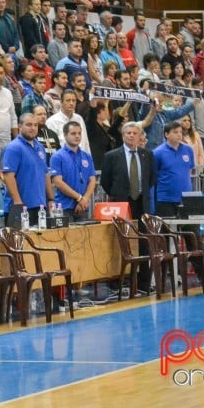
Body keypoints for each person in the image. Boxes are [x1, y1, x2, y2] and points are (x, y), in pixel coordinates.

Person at [100, 122, 156, 290]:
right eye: (128, 133)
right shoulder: (112, 156)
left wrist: (141, 192)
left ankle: (144, 283)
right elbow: (105, 182)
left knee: (144, 243)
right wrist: (119, 194)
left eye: (134, 133)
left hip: (141, 203)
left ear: (140, 136)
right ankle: (119, 281)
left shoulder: (147, 155)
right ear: (123, 136)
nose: (131, 136)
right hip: (122, 203)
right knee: (121, 242)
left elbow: (152, 179)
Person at [1, 112, 54, 229]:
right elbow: (8, 176)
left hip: (39, 206)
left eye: (35, 125)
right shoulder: (13, 148)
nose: (33, 128)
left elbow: (45, 174)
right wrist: (18, 202)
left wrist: (50, 199)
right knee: (19, 245)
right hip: (20, 207)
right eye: (29, 125)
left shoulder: (40, 147)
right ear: (20, 126)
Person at [49, 121, 96, 222]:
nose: (77, 136)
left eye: (79, 133)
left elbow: (92, 180)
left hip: (83, 206)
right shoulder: (57, 156)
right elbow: (58, 182)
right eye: (73, 133)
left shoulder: (86, 156)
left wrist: (85, 199)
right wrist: (79, 198)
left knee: (85, 237)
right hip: (64, 207)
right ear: (65, 135)